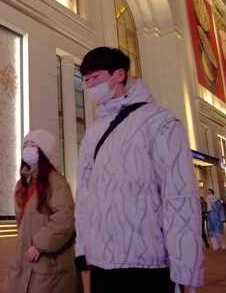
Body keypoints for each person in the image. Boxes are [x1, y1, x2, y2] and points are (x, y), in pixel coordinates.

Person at [74, 47, 203, 293]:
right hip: (102, 263)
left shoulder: (160, 121)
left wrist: (186, 269)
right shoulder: (93, 132)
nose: (88, 85)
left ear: (119, 74)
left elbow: (179, 197)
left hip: (148, 265)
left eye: (95, 77)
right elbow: (84, 197)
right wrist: (83, 249)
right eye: (85, 79)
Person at [6, 130, 80, 293]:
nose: (28, 149)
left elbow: (65, 217)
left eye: (33, 145)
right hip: (25, 260)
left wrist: (40, 245)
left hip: (50, 263)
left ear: (44, 152)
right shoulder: (23, 185)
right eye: (25, 145)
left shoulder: (56, 181)